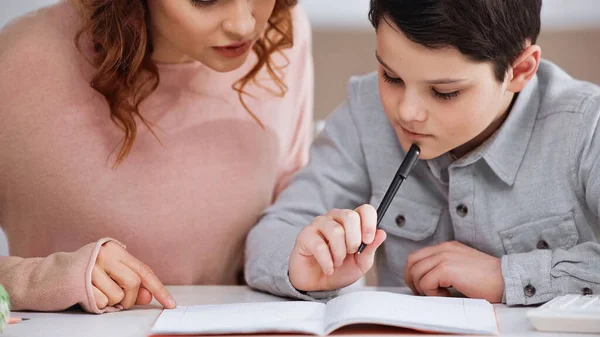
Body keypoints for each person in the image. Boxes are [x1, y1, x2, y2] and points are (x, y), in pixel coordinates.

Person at [245, 0, 600, 306]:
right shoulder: (363, 112)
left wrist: (506, 276)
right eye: (391, 76)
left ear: (520, 70)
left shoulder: (586, 124)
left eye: (444, 93)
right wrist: (301, 263)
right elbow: (270, 237)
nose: (407, 112)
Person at [0, 0, 313, 313]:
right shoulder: (20, 61)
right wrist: (48, 278)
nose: (244, 25)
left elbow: (289, 216)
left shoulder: (280, 36)